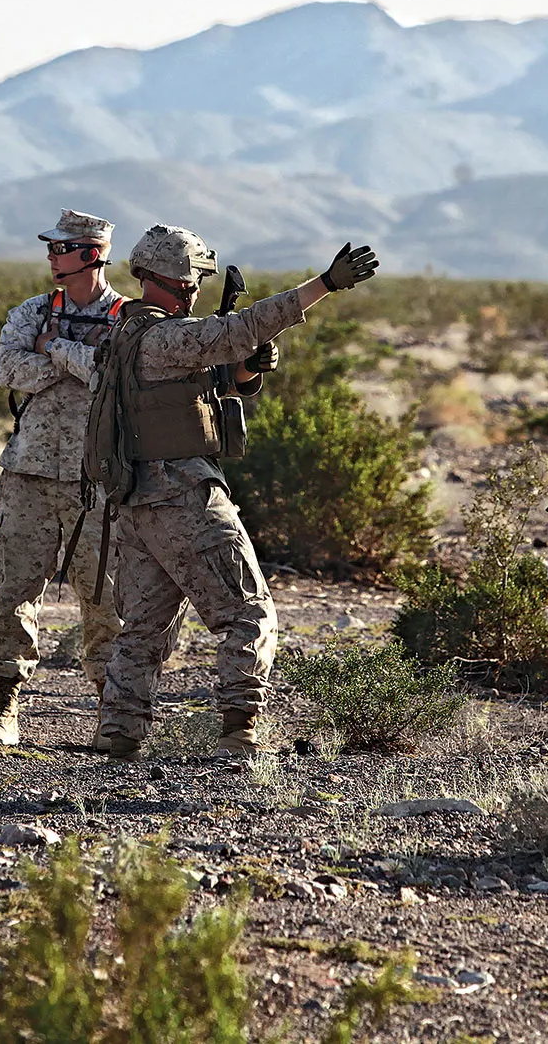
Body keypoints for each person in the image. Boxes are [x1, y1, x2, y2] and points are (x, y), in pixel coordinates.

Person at [87, 227, 380, 759]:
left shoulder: (125, 335)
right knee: (249, 613)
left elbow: (181, 392)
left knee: (144, 627)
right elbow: (241, 327)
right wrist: (323, 285)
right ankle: (239, 729)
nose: (199, 290)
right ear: (180, 280)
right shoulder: (166, 336)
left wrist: (240, 373)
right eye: (196, 280)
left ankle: (118, 732)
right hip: (182, 496)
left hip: (135, 503)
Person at [0, 209, 127, 744]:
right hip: (29, 473)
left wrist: (55, 349)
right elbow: (8, 371)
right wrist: (73, 362)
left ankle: (110, 710)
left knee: (104, 594)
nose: (51, 258)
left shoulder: (128, 319)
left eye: (61, 250)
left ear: (92, 255)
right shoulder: (30, 311)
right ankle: (4, 706)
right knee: (14, 586)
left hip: (98, 479)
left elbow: (113, 375)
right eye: (50, 248)